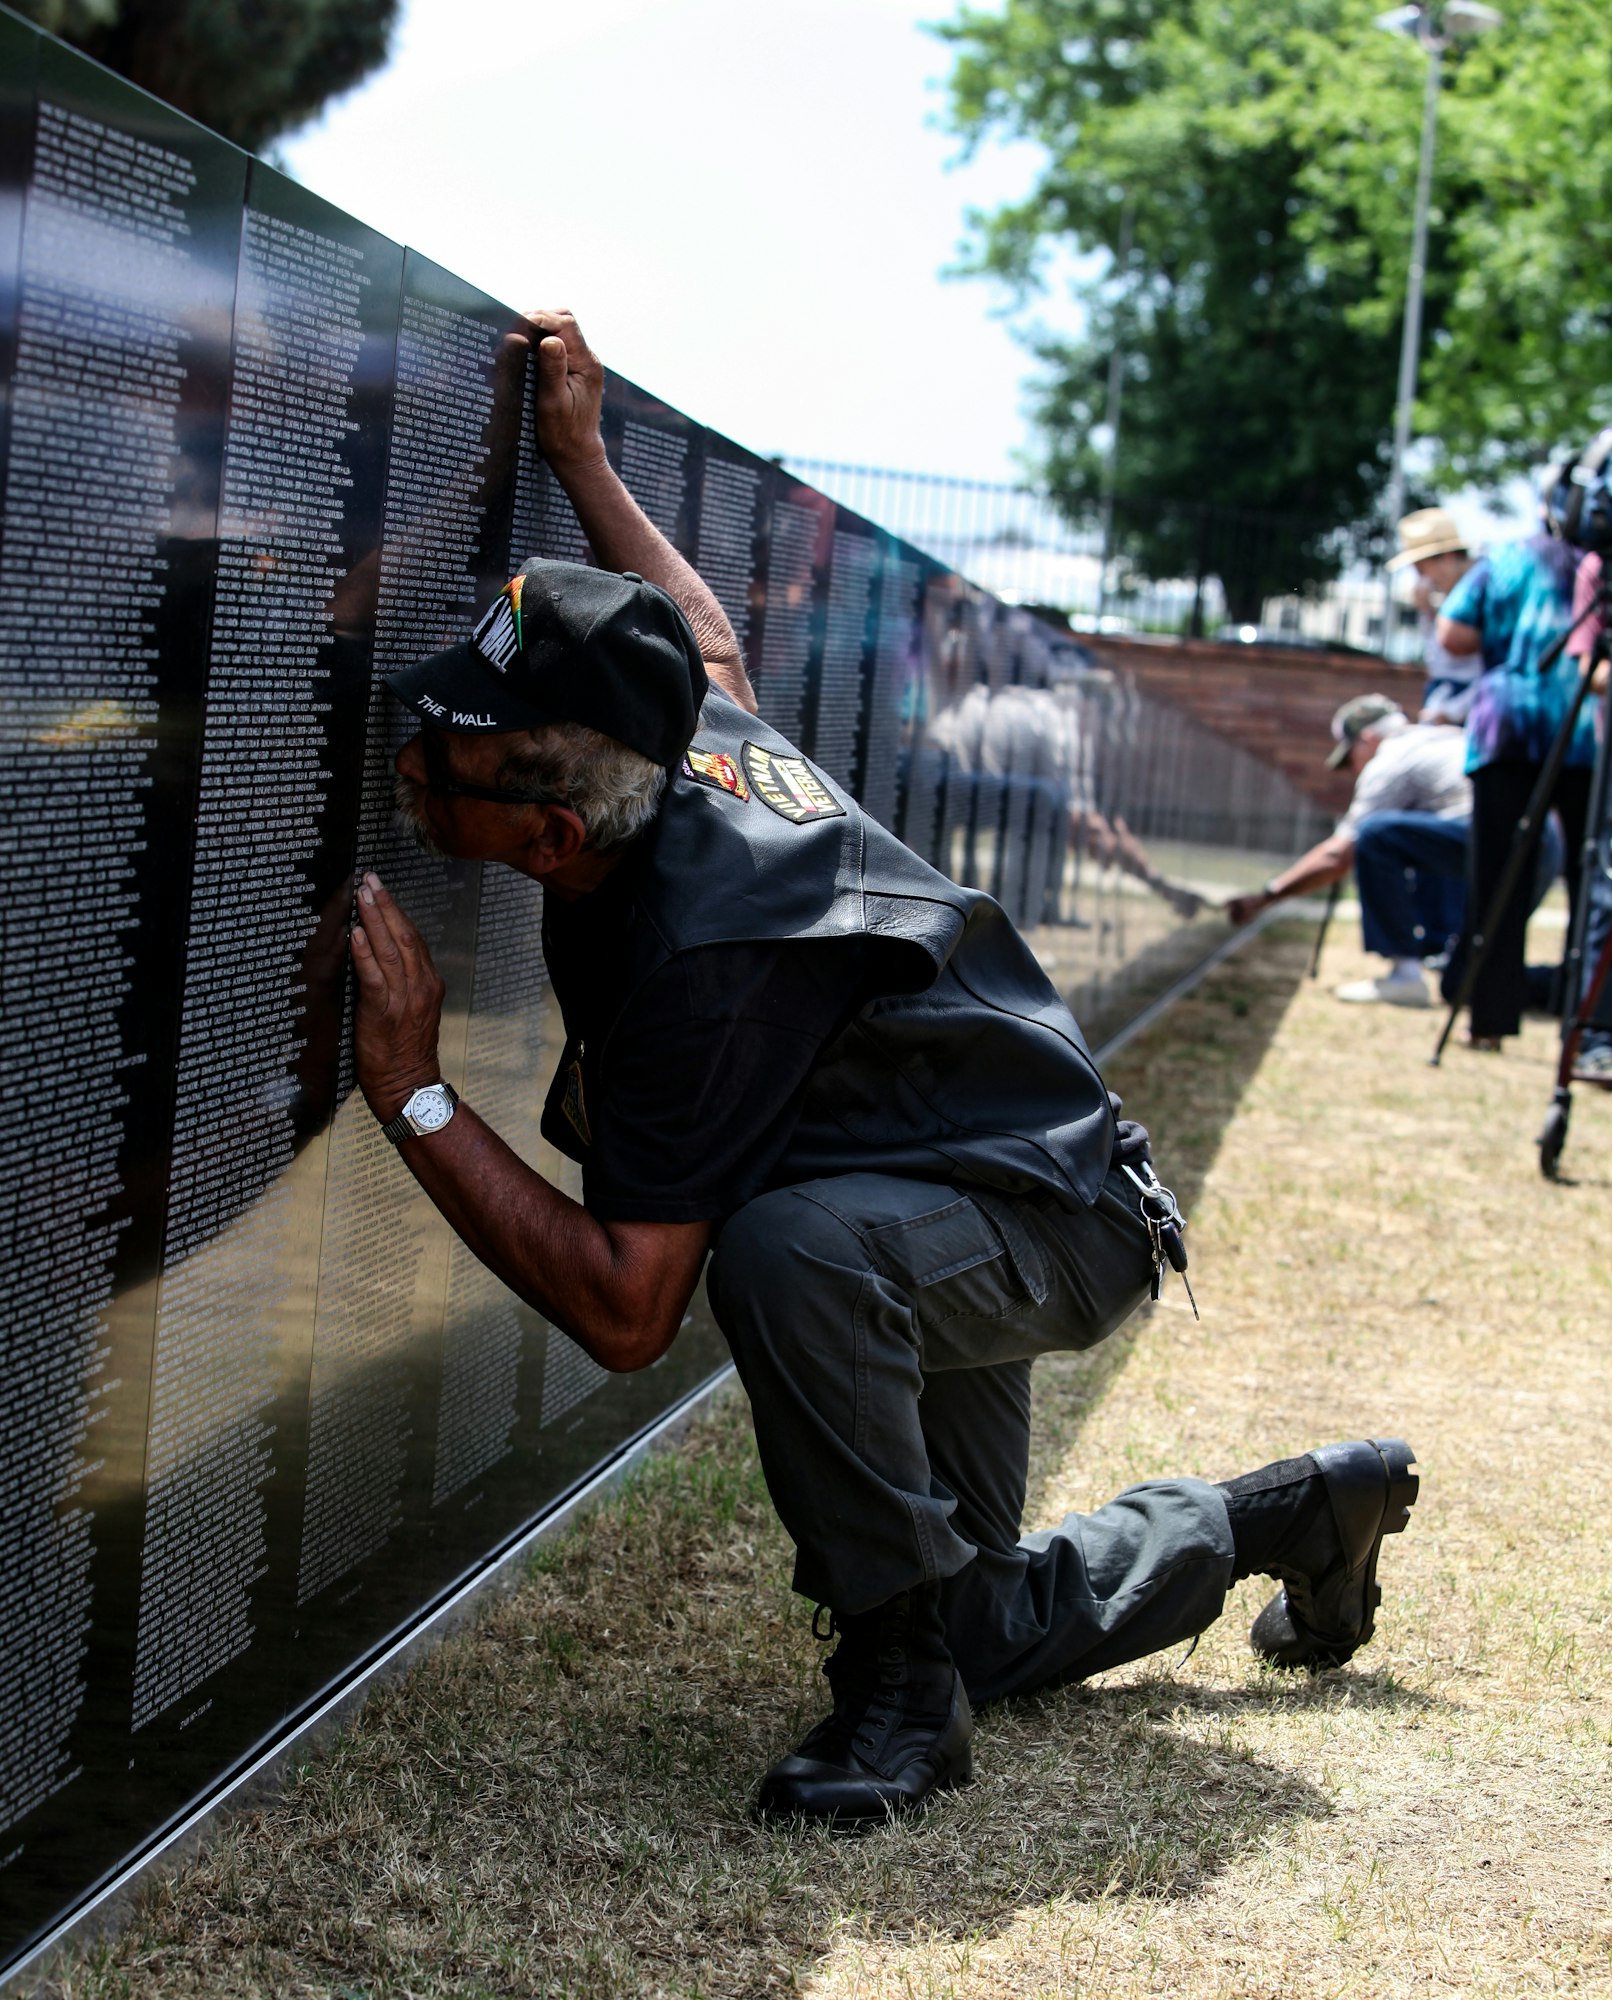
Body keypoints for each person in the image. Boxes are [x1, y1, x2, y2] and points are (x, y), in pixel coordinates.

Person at [348, 307, 1420, 1828]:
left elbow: (627, 1307)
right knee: (981, 1609)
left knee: (780, 1253)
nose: (408, 749)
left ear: (550, 836)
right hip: (945, 1190)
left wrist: (413, 1092)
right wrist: (580, 461)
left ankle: (897, 1706)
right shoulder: (675, 743)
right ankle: (1290, 1515)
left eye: (440, 752)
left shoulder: (705, 955)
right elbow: (698, 638)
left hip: (1027, 1215)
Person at [1436, 478, 1594, 1049]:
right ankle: (1588, 1027)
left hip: (1506, 729)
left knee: (1498, 879)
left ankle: (1490, 1023)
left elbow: (1453, 634)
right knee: (1591, 882)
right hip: (1581, 733)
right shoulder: (1597, 565)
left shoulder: (1504, 558)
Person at [1224, 694, 1473, 1008]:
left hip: (1481, 838)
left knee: (1374, 836)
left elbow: (1338, 856)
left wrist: (1267, 895)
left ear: (1367, 739)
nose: (1354, 769)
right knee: (1463, 985)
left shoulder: (1390, 760)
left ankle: (1405, 975)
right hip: (1534, 842)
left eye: (1351, 757)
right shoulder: (1437, 737)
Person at [1386, 507, 1481, 725]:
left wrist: (1452, 712)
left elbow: (1492, 670)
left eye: (1421, 569)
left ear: (1447, 558)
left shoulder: (1482, 596)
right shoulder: (1451, 599)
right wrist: (1427, 612)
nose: (1421, 579)